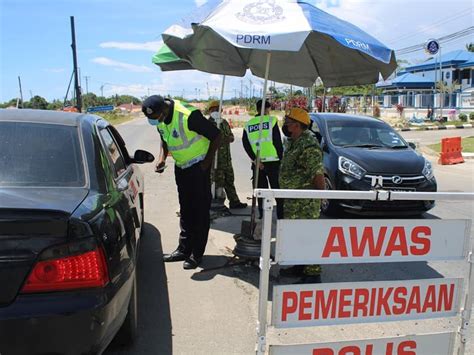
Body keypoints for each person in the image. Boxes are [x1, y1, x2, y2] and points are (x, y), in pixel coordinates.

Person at [142, 95, 222, 269]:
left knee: (200, 212)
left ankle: (196, 254)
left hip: (198, 166)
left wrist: (206, 164)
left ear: (163, 110)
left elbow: (217, 136)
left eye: (156, 118)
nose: (155, 122)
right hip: (181, 167)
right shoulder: (161, 118)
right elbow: (164, 139)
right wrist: (162, 158)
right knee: (186, 209)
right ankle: (184, 250)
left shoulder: (189, 115)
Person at [278, 107, 325, 283]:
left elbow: (317, 174)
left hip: (305, 203)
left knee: (307, 237)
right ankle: (299, 267)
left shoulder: (308, 144)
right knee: (295, 237)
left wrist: (320, 198)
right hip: (293, 201)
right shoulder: (292, 141)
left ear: (298, 125)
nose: (285, 125)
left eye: (288, 123)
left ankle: (312, 274)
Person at [242, 99, 283, 219]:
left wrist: (255, 160)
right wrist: (281, 159)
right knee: (278, 191)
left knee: (261, 192)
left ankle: (262, 216)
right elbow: (277, 143)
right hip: (273, 161)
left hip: (258, 164)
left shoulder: (248, 124)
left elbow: (246, 144)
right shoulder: (272, 121)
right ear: (266, 109)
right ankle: (281, 216)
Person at [207, 100, 247, 209]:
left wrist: (226, 139)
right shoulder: (207, 124)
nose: (217, 111)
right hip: (215, 160)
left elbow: (231, 137)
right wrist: (224, 139)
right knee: (217, 183)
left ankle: (234, 202)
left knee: (230, 180)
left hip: (226, 159)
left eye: (219, 109)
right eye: (215, 109)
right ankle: (218, 204)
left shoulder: (224, 123)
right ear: (210, 111)